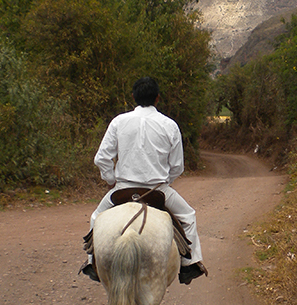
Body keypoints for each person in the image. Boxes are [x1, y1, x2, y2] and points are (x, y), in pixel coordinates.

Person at [81, 76, 207, 285]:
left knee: (96, 217)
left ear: (133, 97)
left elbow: (101, 158)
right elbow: (177, 166)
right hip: (158, 190)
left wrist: (111, 180)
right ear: (158, 98)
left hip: (122, 189)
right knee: (189, 216)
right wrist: (165, 181)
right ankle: (189, 264)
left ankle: (92, 263)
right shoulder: (169, 125)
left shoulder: (119, 122)